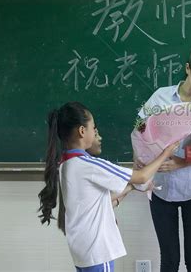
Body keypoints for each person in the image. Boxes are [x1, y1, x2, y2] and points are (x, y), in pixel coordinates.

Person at [38, 101, 178, 272]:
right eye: (93, 127)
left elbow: (96, 201)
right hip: (97, 250)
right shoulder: (89, 165)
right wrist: (165, 153)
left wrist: (131, 188)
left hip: (82, 249)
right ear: (82, 131)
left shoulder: (66, 165)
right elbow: (141, 177)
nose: (96, 132)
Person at [135, 41, 191, 272]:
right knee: (169, 259)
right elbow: (139, 127)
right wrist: (140, 154)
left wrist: (181, 163)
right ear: (188, 68)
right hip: (161, 190)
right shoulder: (160, 97)